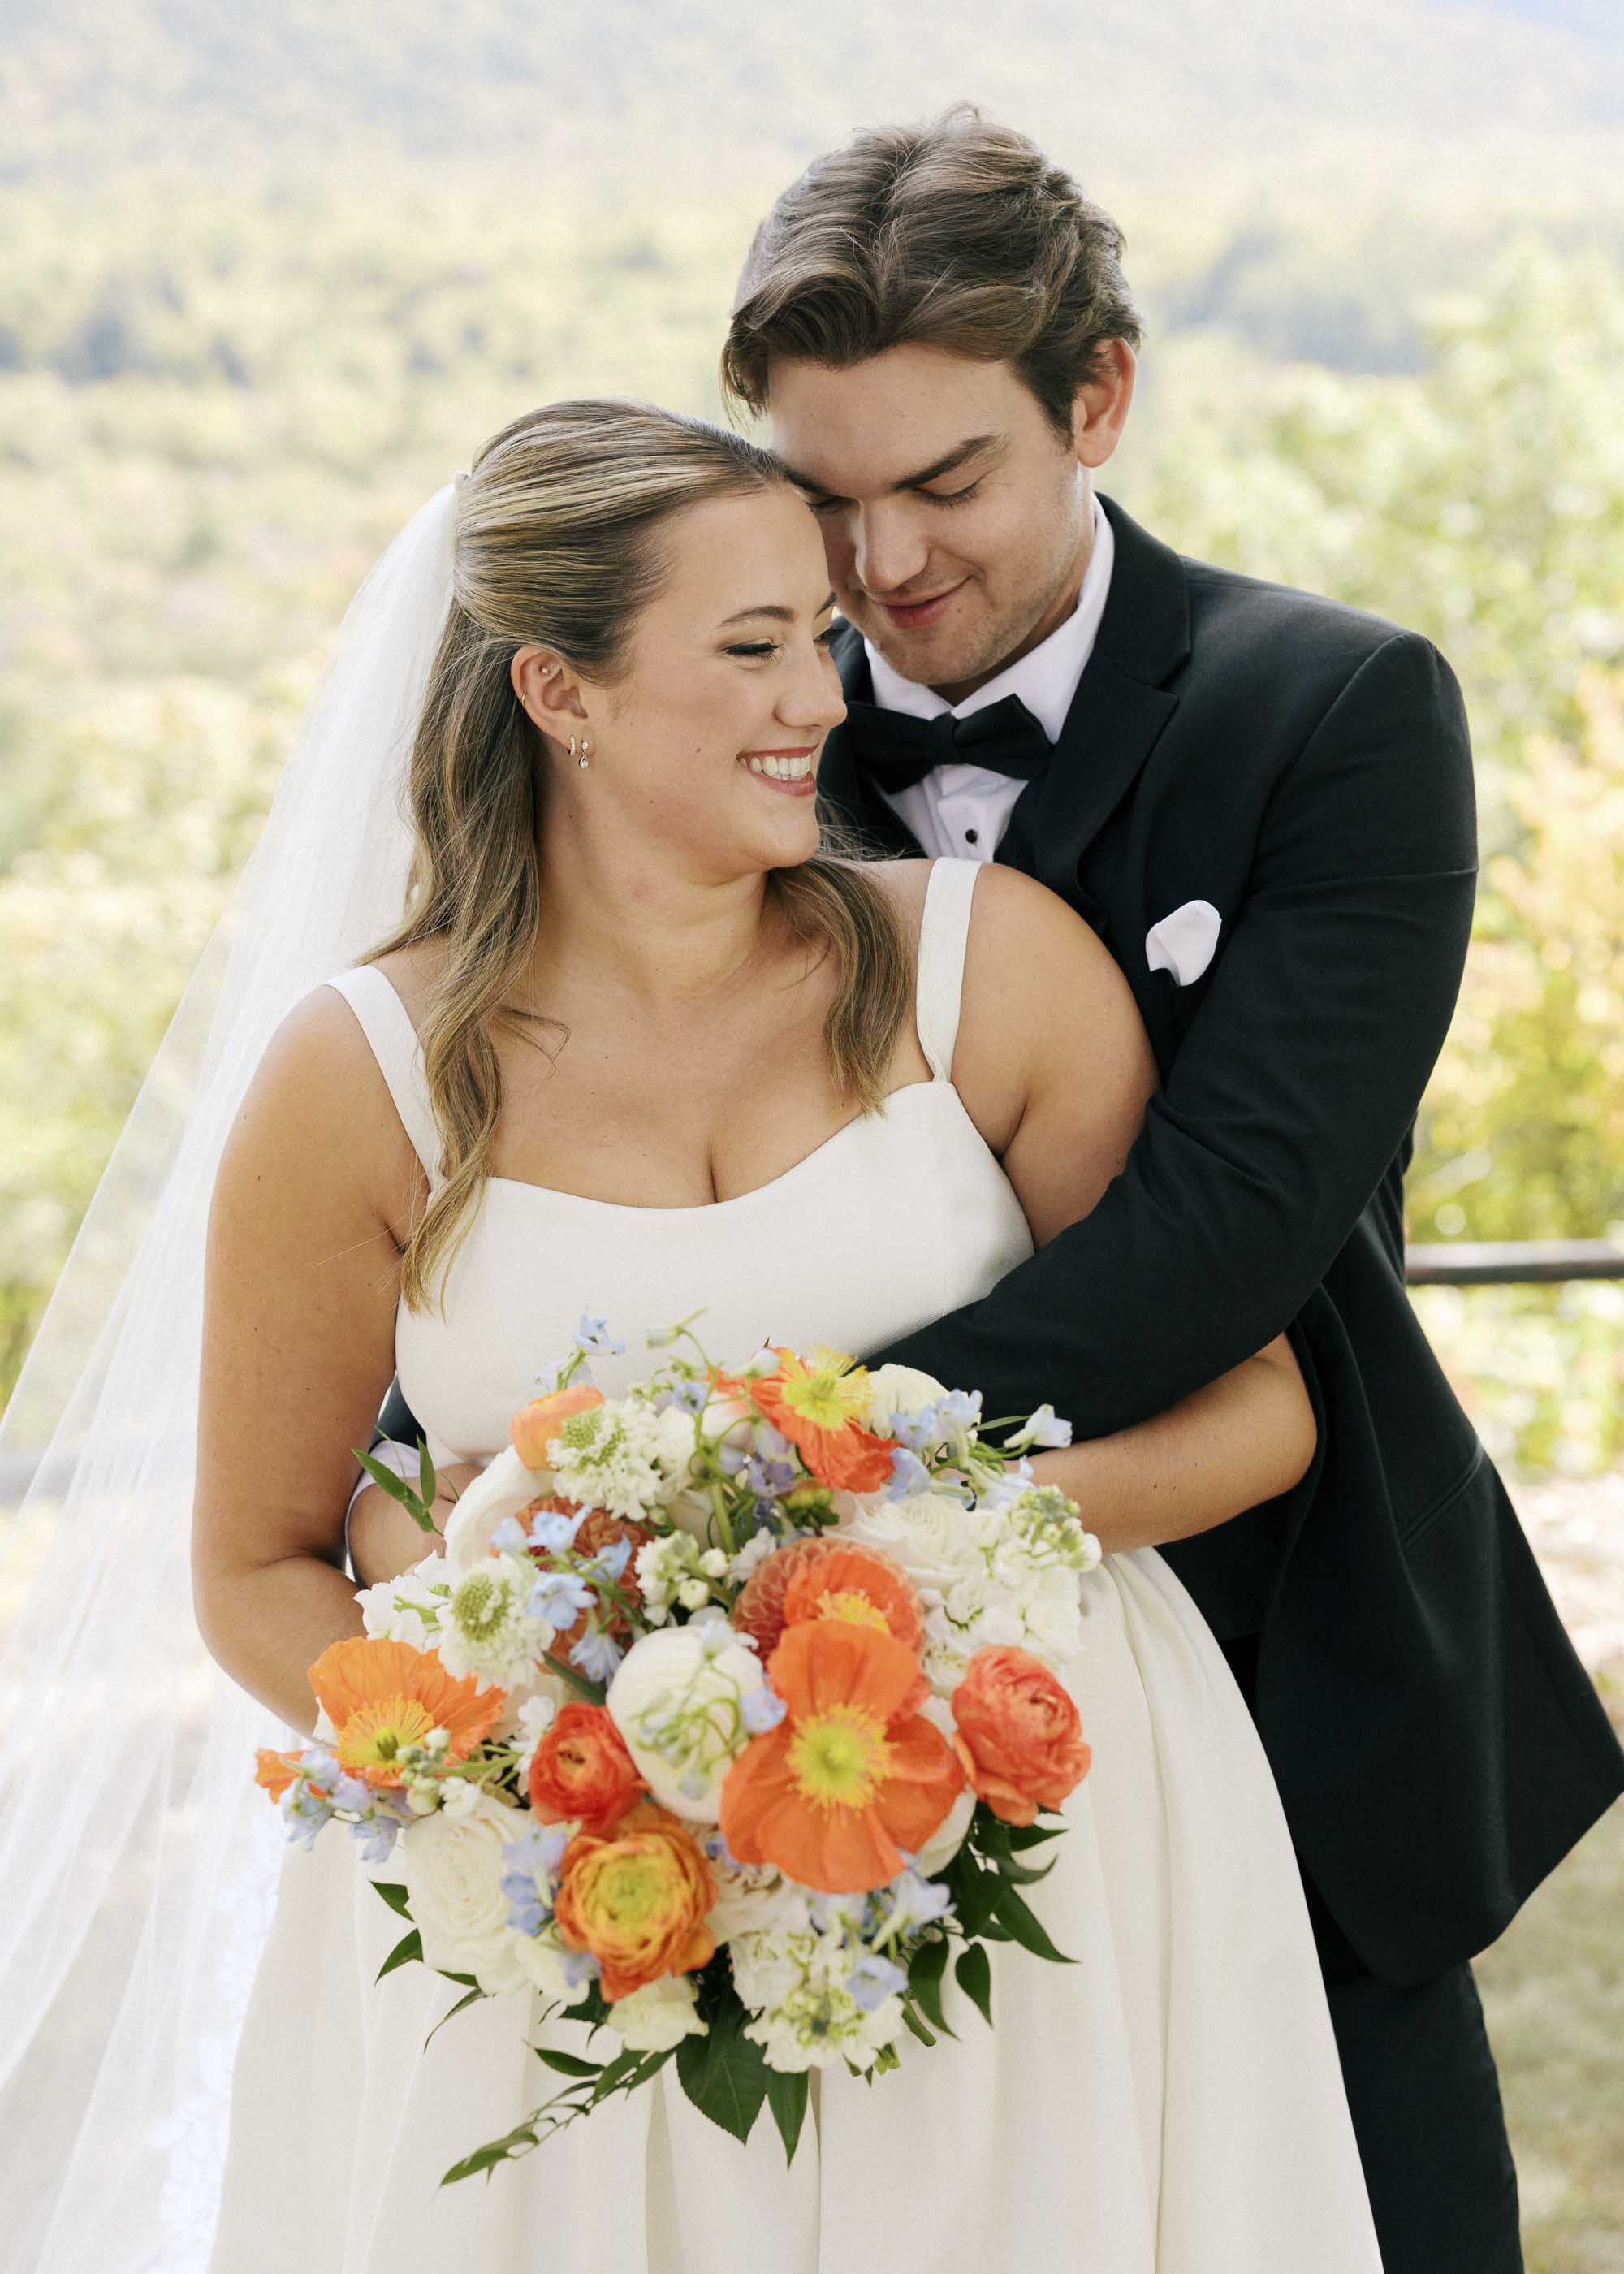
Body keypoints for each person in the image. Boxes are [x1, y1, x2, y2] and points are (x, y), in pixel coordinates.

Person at [192, 398, 1383, 2272]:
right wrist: (530, 1760)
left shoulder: (988, 969)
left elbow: (1260, 1406)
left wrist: (920, 1551)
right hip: (580, 1913)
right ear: (559, 694)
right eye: (751, 646)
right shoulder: (362, 1080)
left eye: (820, 636)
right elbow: (256, 1561)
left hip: (1035, 1833)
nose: (823, 696)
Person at [703, 102, 1624, 2274]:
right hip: (807, 1728)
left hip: (1269, 1646)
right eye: (822, 503)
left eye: (947, 486)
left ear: (1097, 399)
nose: (884, 570)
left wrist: (733, 1469)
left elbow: (1221, 1236)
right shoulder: (714, 738)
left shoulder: (1333, 714)